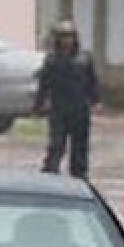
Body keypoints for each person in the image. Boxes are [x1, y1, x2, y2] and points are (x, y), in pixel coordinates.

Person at [34, 20, 99, 179]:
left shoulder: (84, 59)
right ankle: (50, 172)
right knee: (56, 144)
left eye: (69, 37)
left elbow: (92, 82)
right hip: (59, 109)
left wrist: (95, 100)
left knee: (80, 146)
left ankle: (79, 175)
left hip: (80, 109)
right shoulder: (51, 60)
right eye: (63, 37)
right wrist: (40, 103)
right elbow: (44, 84)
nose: (66, 41)